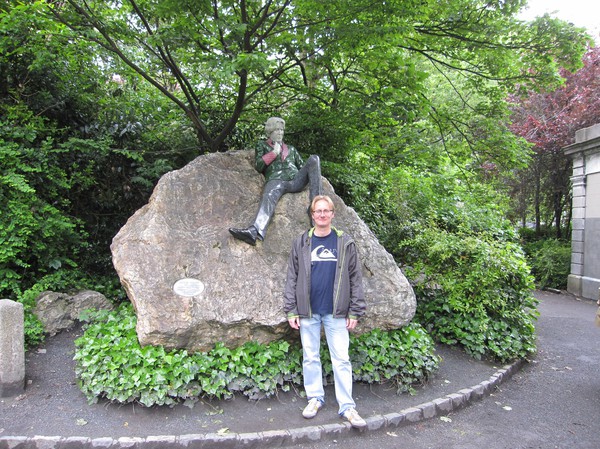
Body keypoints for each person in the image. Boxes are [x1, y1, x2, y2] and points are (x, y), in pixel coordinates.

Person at [283, 194, 367, 428]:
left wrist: (355, 311)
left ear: (332, 214)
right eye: (317, 211)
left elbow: (355, 278)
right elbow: (292, 276)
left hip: (336, 312)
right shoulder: (301, 242)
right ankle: (314, 398)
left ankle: (347, 407)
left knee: (341, 359)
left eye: (325, 211)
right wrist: (291, 309)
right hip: (308, 310)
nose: (321, 215)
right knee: (310, 357)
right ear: (312, 216)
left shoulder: (344, 242)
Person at [229, 117, 322, 245]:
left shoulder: (291, 149)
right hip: (276, 180)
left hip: (295, 180)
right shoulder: (262, 145)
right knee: (269, 195)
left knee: (314, 159)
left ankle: (316, 208)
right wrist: (273, 153)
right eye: (277, 130)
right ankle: (255, 231)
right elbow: (259, 166)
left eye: (282, 130)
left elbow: (303, 166)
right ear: (270, 131)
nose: (280, 133)